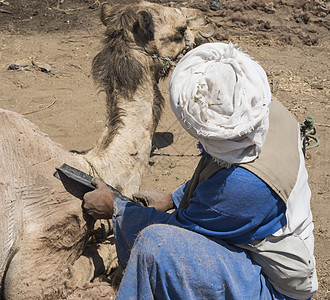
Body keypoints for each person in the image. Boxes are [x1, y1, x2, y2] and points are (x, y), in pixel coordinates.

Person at [83, 43, 318, 300]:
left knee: (154, 246)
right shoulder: (261, 108)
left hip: (272, 284)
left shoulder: (242, 187)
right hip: (267, 244)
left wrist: (116, 208)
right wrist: (174, 198)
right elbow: (222, 169)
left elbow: (178, 233)